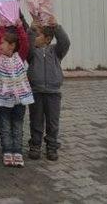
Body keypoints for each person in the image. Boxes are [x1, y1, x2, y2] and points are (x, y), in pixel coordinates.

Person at [27, 16, 70, 161]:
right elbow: (28, 45)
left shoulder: (56, 52)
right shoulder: (32, 53)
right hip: (36, 92)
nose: (35, 38)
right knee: (36, 120)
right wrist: (32, 30)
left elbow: (65, 42)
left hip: (53, 93)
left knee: (53, 122)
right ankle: (35, 145)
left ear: (47, 39)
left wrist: (57, 27)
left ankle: (51, 146)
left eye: (38, 35)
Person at [0, 21, 33, 167]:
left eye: (4, 43)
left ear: (12, 46)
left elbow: (25, 44)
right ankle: (7, 151)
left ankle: (18, 151)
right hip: (4, 101)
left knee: (18, 126)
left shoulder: (20, 58)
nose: (0, 45)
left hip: (20, 100)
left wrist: (20, 27)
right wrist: (1, 28)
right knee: (5, 126)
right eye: (1, 42)